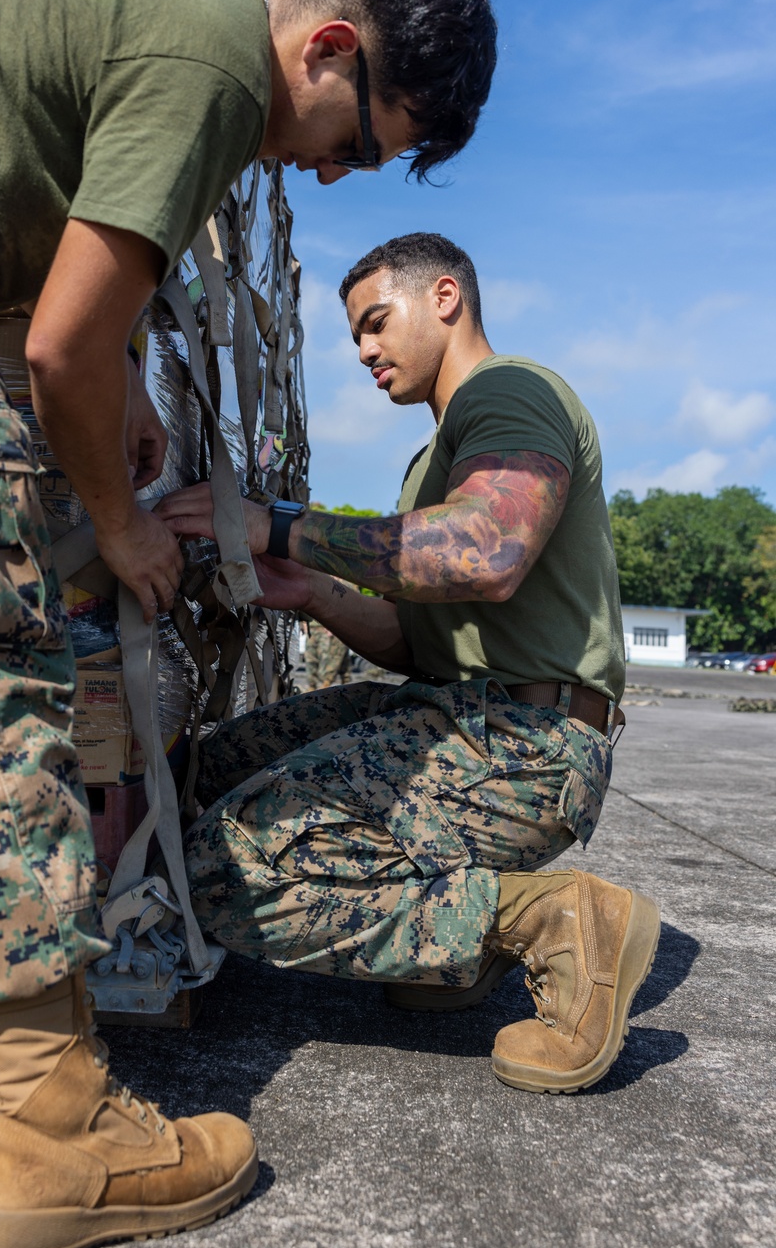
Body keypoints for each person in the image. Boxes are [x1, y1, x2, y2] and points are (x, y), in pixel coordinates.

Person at [0, 0, 497, 1248]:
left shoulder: (162, 18)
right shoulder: (219, 66)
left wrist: (135, 395)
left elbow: (61, 278)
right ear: (331, 51)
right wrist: (121, 521)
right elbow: (61, 346)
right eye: (352, 144)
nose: (325, 172)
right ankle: (51, 1124)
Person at [157, 232, 660, 1096]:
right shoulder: (430, 462)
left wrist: (279, 524)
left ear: (446, 297)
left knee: (214, 869)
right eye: (355, 335)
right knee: (199, 778)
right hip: (455, 712)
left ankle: (543, 923)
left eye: (377, 323)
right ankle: (449, 943)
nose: (364, 351)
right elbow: (416, 641)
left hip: (530, 745)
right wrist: (312, 589)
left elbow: (488, 548)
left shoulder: (511, 393)